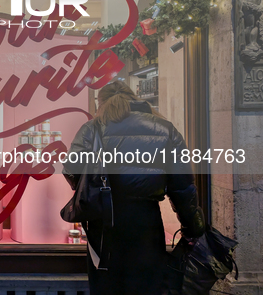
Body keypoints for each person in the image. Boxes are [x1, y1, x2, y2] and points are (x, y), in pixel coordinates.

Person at [63, 81, 205, 295]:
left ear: (101, 102)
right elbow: (182, 186)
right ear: (135, 99)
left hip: (104, 223)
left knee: (106, 286)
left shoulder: (92, 128)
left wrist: (93, 187)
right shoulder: (164, 128)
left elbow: (71, 170)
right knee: (147, 285)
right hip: (146, 222)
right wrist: (193, 228)